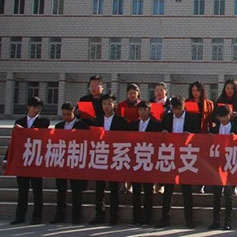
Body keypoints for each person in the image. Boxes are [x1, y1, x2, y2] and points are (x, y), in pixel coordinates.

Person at [158, 96, 202, 228]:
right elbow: (160, 133)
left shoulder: (192, 118)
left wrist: (190, 135)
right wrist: (163, 133)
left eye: (179, 109)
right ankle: (165, 218)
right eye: (175, 109)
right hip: (170, 155)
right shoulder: (167, 118)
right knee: (168, 189)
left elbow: (198, 135)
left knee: (186, 190)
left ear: (184, 106)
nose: (177, 111)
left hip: (185, 156)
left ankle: (189, 219)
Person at [8, 96, 50, 225]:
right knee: (22, 190)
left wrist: (24, 131)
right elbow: (14, 141)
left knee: (37, 190)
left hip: (36, 160)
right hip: (23, 160)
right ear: (28, 107)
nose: (37, 110)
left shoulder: (43, 121)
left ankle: (37, 217)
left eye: (39, 108)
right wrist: (6, 159)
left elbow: (38, 134)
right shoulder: (19, 121)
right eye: (35, 107)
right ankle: (20, 216)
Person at [89, 93, 128, 226]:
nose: (106, 106)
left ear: (114, 104)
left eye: (109, 104)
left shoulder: (121, 121)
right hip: (100, 157)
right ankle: (99, 215)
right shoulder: (97, 121)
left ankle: (113, 216)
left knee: (114, 189)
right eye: (104, 104)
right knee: (99, 188)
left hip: (115, 157)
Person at [52, 102, 89, 225]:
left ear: (74, 112)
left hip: (76, 161)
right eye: (64, 115)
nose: (66, 117)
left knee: (76, 190)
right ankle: (59, 215)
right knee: (61, 190)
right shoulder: (58, 126)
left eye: (68, 114)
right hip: (61, 161)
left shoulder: (82, 126)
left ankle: (76, 217)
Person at [209, 105, 237, 230]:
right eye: (220, 117)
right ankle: (215, 220)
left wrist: (236, 138)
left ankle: (228, 221)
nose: (222, 119)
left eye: (225, 116)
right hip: (217, 165)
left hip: (230, 164)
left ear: (230, 116)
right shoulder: (214, 130)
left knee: (228, 195)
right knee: (216, 194)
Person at [129, 101, 162, 226]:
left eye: (145, 110)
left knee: (148, 191)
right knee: (136, 191)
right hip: (136, 161)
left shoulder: (156, 125)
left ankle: (147, 218)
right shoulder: (133, 125)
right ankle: (136, 218)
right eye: (140, 110)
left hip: (149, 160)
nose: (142, 112)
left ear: (149, 110)